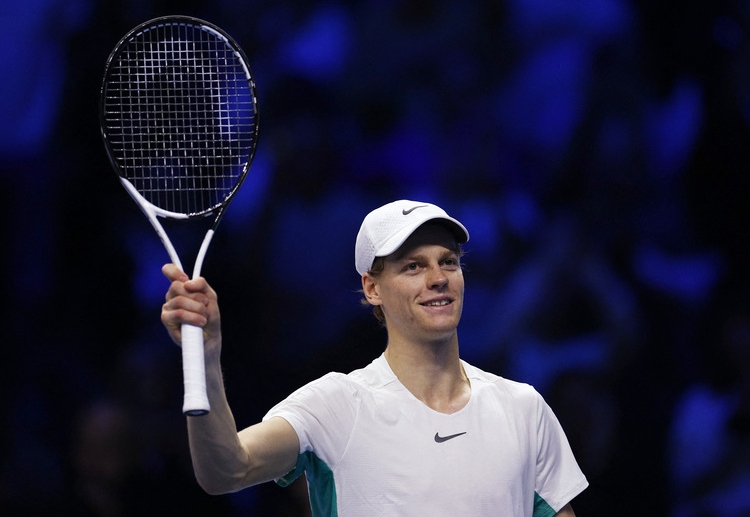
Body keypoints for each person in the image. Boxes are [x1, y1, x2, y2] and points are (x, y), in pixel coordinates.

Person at [161, 199, 588, 516]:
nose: (438, 279)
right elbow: (224, 471)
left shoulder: (524, 408)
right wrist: (208, 356)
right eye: (413, 267)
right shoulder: (335, 404)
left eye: (449, 262)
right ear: (372, 288)